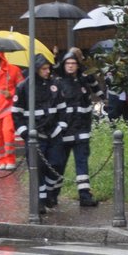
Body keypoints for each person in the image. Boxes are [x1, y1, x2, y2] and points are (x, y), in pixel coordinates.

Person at [15, 58, 66, 209]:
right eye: (44, 69)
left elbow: (63, 108)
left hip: (53, 133)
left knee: (57, 164)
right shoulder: (24, 87)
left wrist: (61, 127)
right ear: (36, 69)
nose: (47, 71)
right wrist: (25, 133)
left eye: (48, 68)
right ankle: (40, 201)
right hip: (35, 135)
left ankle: (49, 193)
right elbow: (16, 114)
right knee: (38, 168)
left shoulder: (55, 85)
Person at [54, 49, 102, 207]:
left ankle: (84, 196)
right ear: (63, 65)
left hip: (82, 131)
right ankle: (52, 195)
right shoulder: (58, 83)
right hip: (64, 132)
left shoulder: (83, 82)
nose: (70, 66)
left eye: (73, 63)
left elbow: (97, 94)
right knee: (59, 164)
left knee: (82, 163)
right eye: (68, 63)